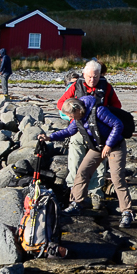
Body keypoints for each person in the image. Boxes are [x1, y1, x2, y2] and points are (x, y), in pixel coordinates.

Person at [38, 97, 134, 228]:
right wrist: (50, 137)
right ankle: (76, 203)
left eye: (71, 115)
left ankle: (127, 212)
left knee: (117, 178)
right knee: (82, 172)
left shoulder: (98, 110)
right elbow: (69, 131)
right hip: (97, 147)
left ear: (78, 109)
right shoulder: (79, 118)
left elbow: (118, 125)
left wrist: (109, 145)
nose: (72, 118)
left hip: (115, 146)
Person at [56, 60, 122, 207]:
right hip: (78, 130)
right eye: (89, 77)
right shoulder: (75, 86)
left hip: (100, 133)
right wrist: (72, 114)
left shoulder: (107, 88)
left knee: (99, 164)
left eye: (96, 77)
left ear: (101, 75)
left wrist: (105, 116)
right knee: (75, 162)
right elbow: (61, 104)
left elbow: (117, 107)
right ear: (84, 74)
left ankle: (95, 194)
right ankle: (74, 193)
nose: (92, 80)